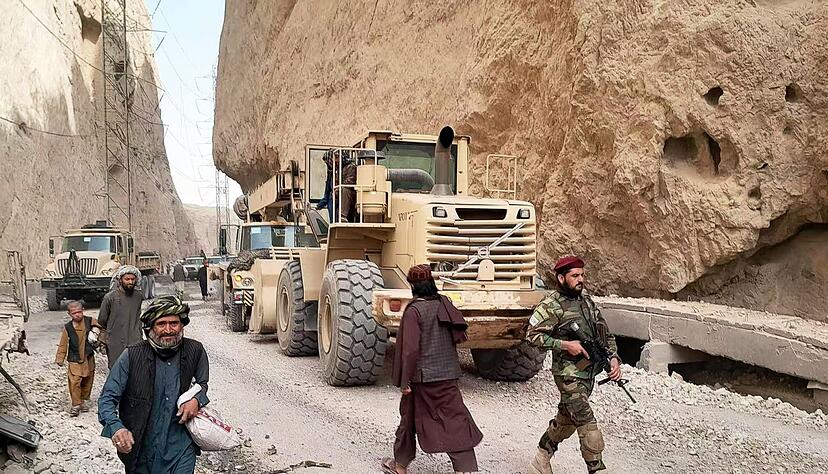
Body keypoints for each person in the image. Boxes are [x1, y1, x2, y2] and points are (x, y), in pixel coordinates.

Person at [381, 264, 483, 474]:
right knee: (454, 420)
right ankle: (464, 469)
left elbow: (410, 351)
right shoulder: (444, 303)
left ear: (413, 286)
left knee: (407, 420)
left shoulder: (414, 311)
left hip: (422, 379)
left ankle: (400, 467)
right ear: (431, 283)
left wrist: (405, 381)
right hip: (448, 376)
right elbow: (460, 334)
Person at [526, 256, 621, 474]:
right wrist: (565, 345)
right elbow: (532, 336)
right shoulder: (551, 305)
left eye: (582, 275)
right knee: (587, 424)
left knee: (567, 421)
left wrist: (614, 359)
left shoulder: (586, 301)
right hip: (568, 374)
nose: (580, 279)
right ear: (561, 278)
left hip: (588, 373)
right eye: (575, 276)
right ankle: (597, 468)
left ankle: (541, 457)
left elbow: (605, 333)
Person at [98, 295, 209, 474]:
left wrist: (196, 399)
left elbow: (202, 384)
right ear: (150, 327)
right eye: (161, 324)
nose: (168, 330)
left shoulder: (195, 350)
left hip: (180, 447)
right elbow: (107, 398)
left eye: (174, 323)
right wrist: (116, 427)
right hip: (142, 448)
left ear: (182, 325)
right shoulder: (132, 355)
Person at [54, 300, 100, 416]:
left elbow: (102, 328)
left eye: (79, 312)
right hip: (75, 358)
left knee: (88, 380)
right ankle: (76, 404)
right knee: (74, 381)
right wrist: (60, 358)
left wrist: (96, 332)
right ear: (69, 314)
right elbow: (63, 343)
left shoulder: (90, 321)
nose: (77, 315)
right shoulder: (68, 327)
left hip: (88, 357)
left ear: (83, 310)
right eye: (74, 313)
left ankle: (83, 400)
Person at [99, 265, 145, 369]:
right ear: (120, 280)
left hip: (135, 341)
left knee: (136, 369)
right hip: (115, 343)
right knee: (117, 370)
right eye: (127, 279)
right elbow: (102, 320)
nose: (130, 282)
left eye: (133, 279)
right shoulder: (110, 298)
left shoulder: (138, 296)